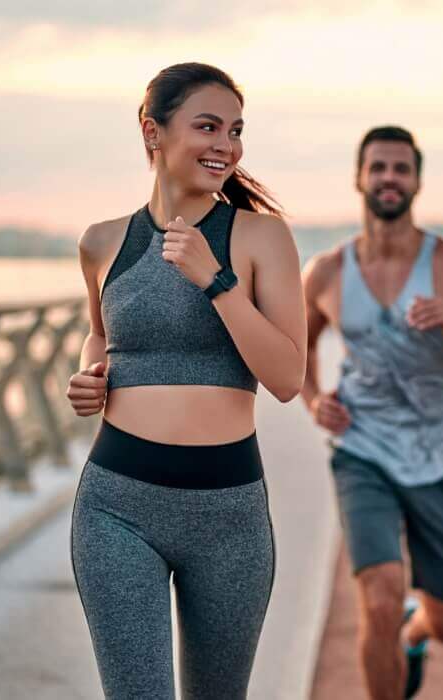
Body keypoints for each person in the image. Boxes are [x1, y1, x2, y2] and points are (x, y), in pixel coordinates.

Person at [65, 62, 307, 700]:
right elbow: (101, 335)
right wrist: (90, 378)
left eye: (235, 130)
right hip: (117, 507)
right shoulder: (101, 241)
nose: (226, 145)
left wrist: (215, 279)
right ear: (153, 131)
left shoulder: (260, 236)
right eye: (208, 126)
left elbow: (286, 377)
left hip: (229, 513)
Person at [300, 126, 443, 699]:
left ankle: (417, 631)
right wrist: (314, 399)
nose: (388, 178)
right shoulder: (327, 271)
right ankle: (394, 631)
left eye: (400, 168)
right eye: (378, 167)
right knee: (377, 599)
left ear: (417, 182)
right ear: (359, 177)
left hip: (438, 455)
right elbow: (295, 345)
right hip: (362, 451)